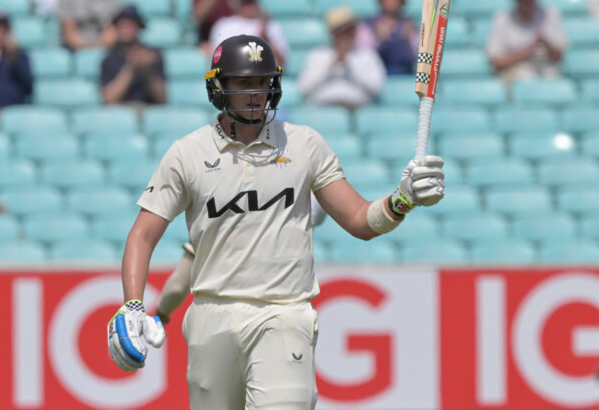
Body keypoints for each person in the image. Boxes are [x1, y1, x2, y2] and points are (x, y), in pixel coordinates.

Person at [106, 34, 445, 408]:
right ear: (219, 86)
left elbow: (359, 220)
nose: (255, 93)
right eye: (243, 82)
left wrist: (402, 200)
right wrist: (133, 305)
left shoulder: (304, 144)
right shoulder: (187, 153)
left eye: (262, 81)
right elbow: (142, 235)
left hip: (285, 313)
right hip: (210, 318)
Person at [152, 196, 327, 324]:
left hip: (222, 321)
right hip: (280, 315)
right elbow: (318, 208)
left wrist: (161, 315)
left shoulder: (216, 214)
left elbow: (178, 285)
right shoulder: (293, 202)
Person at [486, 0, 568, 85]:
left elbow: (558, 58)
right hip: (515, 72)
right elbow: (496, 62)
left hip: (546, 71)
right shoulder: (502, 19)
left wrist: (546, 42)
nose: (527, 2)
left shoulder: (551, 14)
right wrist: (528, 50)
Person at [299, 6, 386, 111]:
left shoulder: (367, 55)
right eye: (343, 31)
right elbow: (304, 88)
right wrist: (331, 65)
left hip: (356, 109)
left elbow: (376, 88)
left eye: (352, 29)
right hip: (323, 109)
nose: (349, 34)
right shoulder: (318, 54)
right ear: (333, 33)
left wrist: (350, 65)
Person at [209, 0, 289, 65]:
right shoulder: (223, 26)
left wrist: (267, 38)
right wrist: (260, 37)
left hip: (266, 72)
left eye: (251, 1)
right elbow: (222, 60)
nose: (249, 6)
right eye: (245, 2)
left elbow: (282, 62)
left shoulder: (271, 26)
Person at [100, 5, 166, 107]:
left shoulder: (153, 55)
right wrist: (130, 67)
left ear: (139, 27)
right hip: (121, 111)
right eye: (122, 25)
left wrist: (149, 71)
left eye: (130, 24)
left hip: (148, 109)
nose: (125, 29)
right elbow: (109, 100)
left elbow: (161, 98)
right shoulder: (109, 60)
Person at [356, 0, 418, 75]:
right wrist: (377, 40)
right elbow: (361, 57)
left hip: (405, 75)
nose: (391, 2)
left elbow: (418, 56)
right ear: (380, 0)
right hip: (375, 76)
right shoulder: (368, 25)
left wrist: (411, 38)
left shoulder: (410, 25)